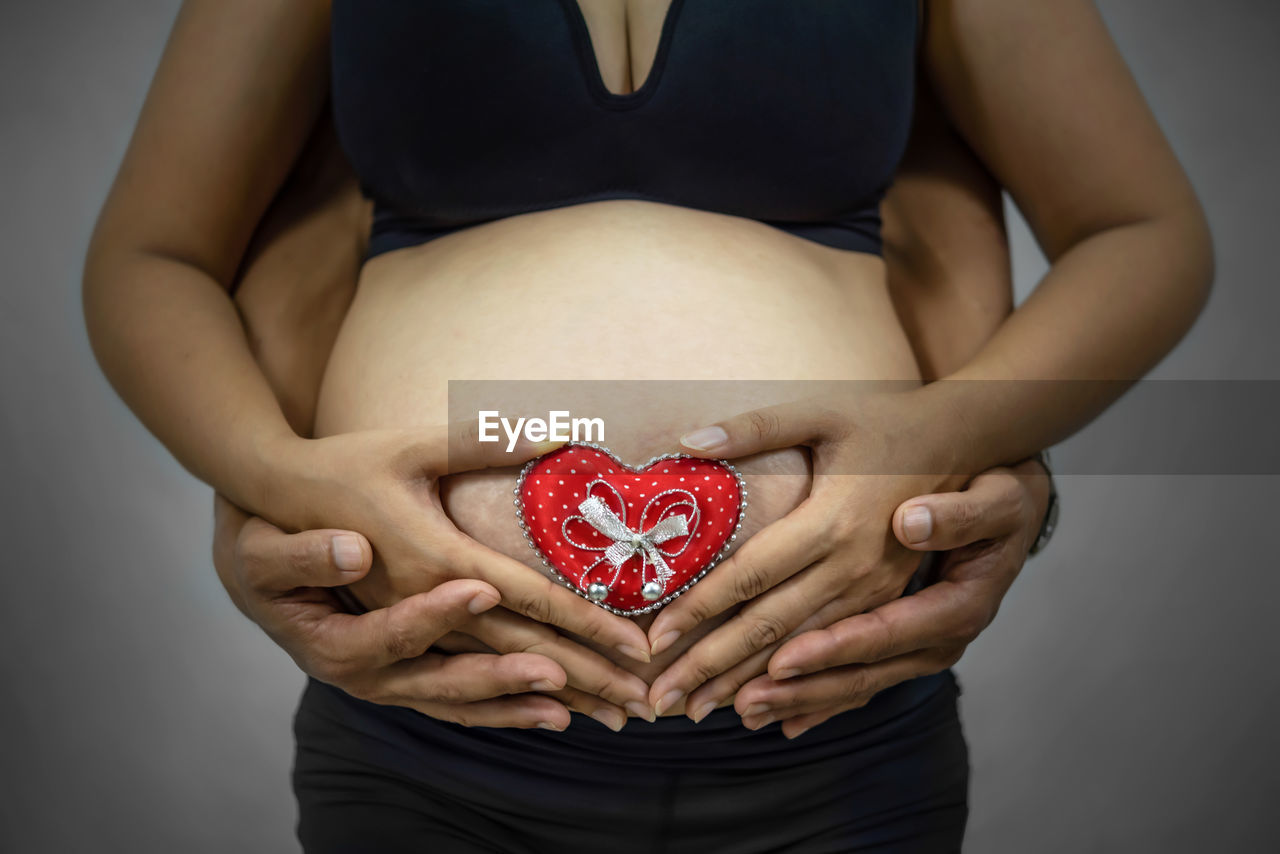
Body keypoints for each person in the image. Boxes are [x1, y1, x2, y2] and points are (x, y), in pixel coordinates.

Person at [83, 1, 1212, 850]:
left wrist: (943, 442)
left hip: (831, 725)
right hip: (431, 733)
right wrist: (272, 475)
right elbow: (155, 253)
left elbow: (1138, 230)